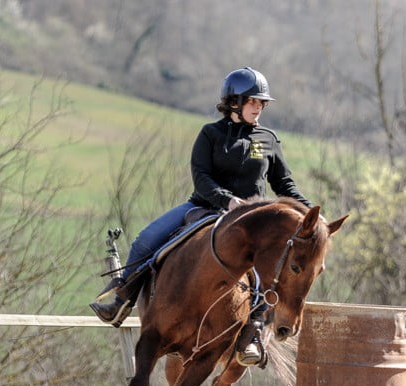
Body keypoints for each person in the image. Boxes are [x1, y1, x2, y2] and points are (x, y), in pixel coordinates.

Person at [90, 67, 313, 366]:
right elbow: (201, 177)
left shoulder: (268, 139)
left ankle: (253, 334)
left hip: (250, 223)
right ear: (234, 103)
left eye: (262, 103)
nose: (259, 107)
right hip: (204, 207)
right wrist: (226, 200)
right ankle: (122, 301)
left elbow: (284, 185)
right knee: (146, 240)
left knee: (268, 273)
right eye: (253, 101)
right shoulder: (211, 133)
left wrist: (311, 214)